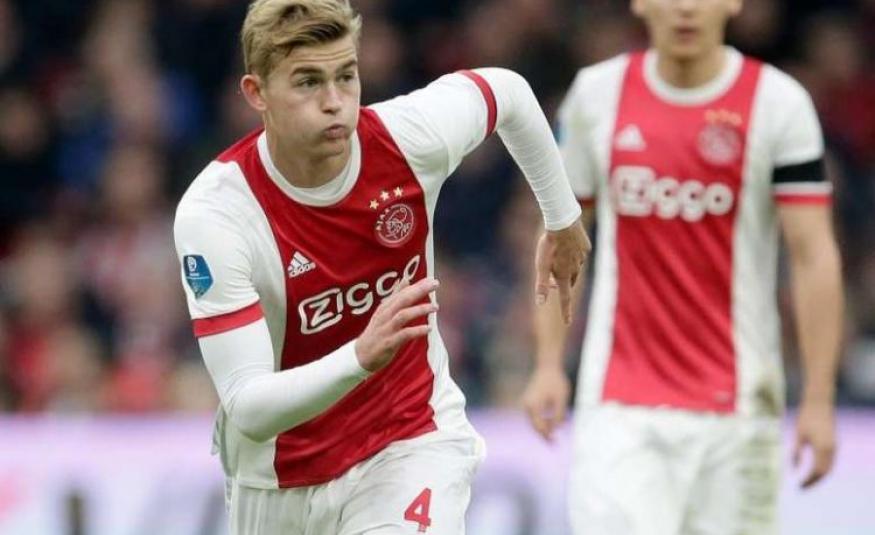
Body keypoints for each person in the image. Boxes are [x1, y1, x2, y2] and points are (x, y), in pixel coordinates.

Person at [173, 1, 589, 533]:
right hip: (277, 479)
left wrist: (562, 218)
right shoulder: (218, 215)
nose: (334, 102)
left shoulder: (408, 138)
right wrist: (359, 357)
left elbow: (507, 92)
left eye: (346, 76)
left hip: (409, 439)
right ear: (257, 93)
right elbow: (249, 406)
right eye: (308, 82)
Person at [522, 1, 844, 534]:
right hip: (618, 407)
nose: (687, 8)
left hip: (738, 409)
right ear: (639, 4)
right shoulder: (596, 96)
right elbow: (559, 237)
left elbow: (813, 256)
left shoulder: (779, 104)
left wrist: (818, 398)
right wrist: (548, 363)